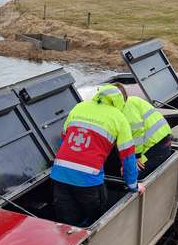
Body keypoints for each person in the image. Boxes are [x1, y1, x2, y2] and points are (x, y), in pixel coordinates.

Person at [51, 83, 141, 227]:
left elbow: (64, 139)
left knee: (66, 223)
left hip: (60, 175)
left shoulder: (79, 107)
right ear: (119, 101)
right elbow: (128, 157)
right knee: (95, 221)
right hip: (88, 180)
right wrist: (134, 186)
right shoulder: (119, 117)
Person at [115, 84, 172, 179]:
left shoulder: (126, 108)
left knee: (130, 173)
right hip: (163, 139)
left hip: (154, 147)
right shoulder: (132, 100)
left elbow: (136, 132)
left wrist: (135, 157)